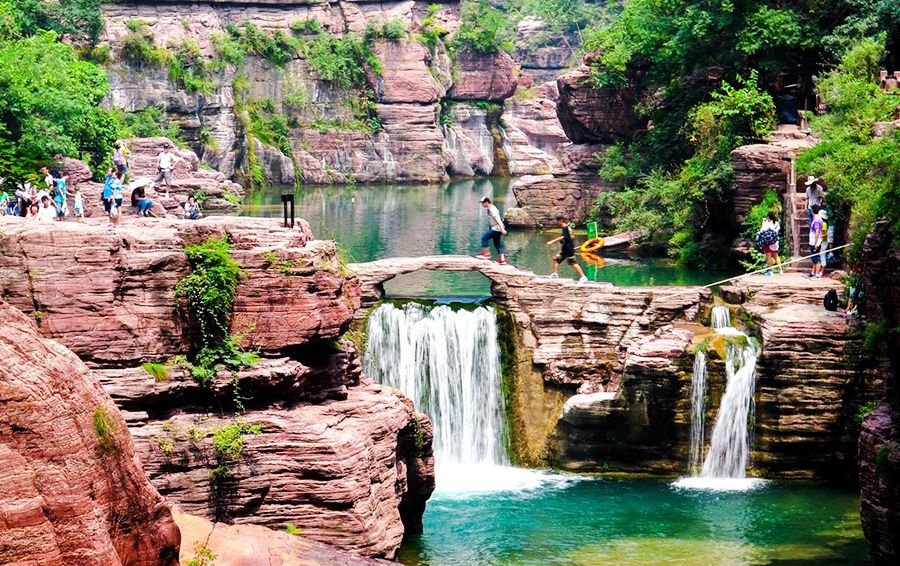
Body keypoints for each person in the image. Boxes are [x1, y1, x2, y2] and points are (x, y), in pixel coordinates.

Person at [547, 215, 588, 282]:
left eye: (557, 221)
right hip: (565, 248)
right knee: (556, 259)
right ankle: (555, 274)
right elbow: (570, 237)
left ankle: (583, 277)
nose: (557, 222)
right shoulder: (565, 228)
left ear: (561, 220)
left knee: (573, 263)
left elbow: (563, 237)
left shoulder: (566, 228)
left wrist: (552, 241)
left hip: (568, 249)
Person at [475, 196, 507, 264]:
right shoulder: (490, 208)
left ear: (487, 202)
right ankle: (502, 260)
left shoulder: (492, 209)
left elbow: (497, 219)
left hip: (496, 228)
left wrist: (502, 229)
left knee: (484, 238)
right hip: (496, 228)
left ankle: (486, 254)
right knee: (497, 244)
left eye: (483, 203)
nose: (482, 204)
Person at [760, 211, 783, 276]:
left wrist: (763, 223)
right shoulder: (776, 223)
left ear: (769, 217)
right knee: (776, 256)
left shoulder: (767, 224)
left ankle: (770, 271)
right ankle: (780, 270)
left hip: (768, 243)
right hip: (775, 242)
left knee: (769, 257)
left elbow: (762, 231)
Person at [808, 205, 825, 279]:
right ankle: (814, 272)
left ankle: (817, 274)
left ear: (812, 211)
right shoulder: (817, 218)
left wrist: (815, 243)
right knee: (814, 257)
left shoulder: (816, 220)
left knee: (816, 258)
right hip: (814, 240)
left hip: (815, 242)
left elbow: (817, 232)